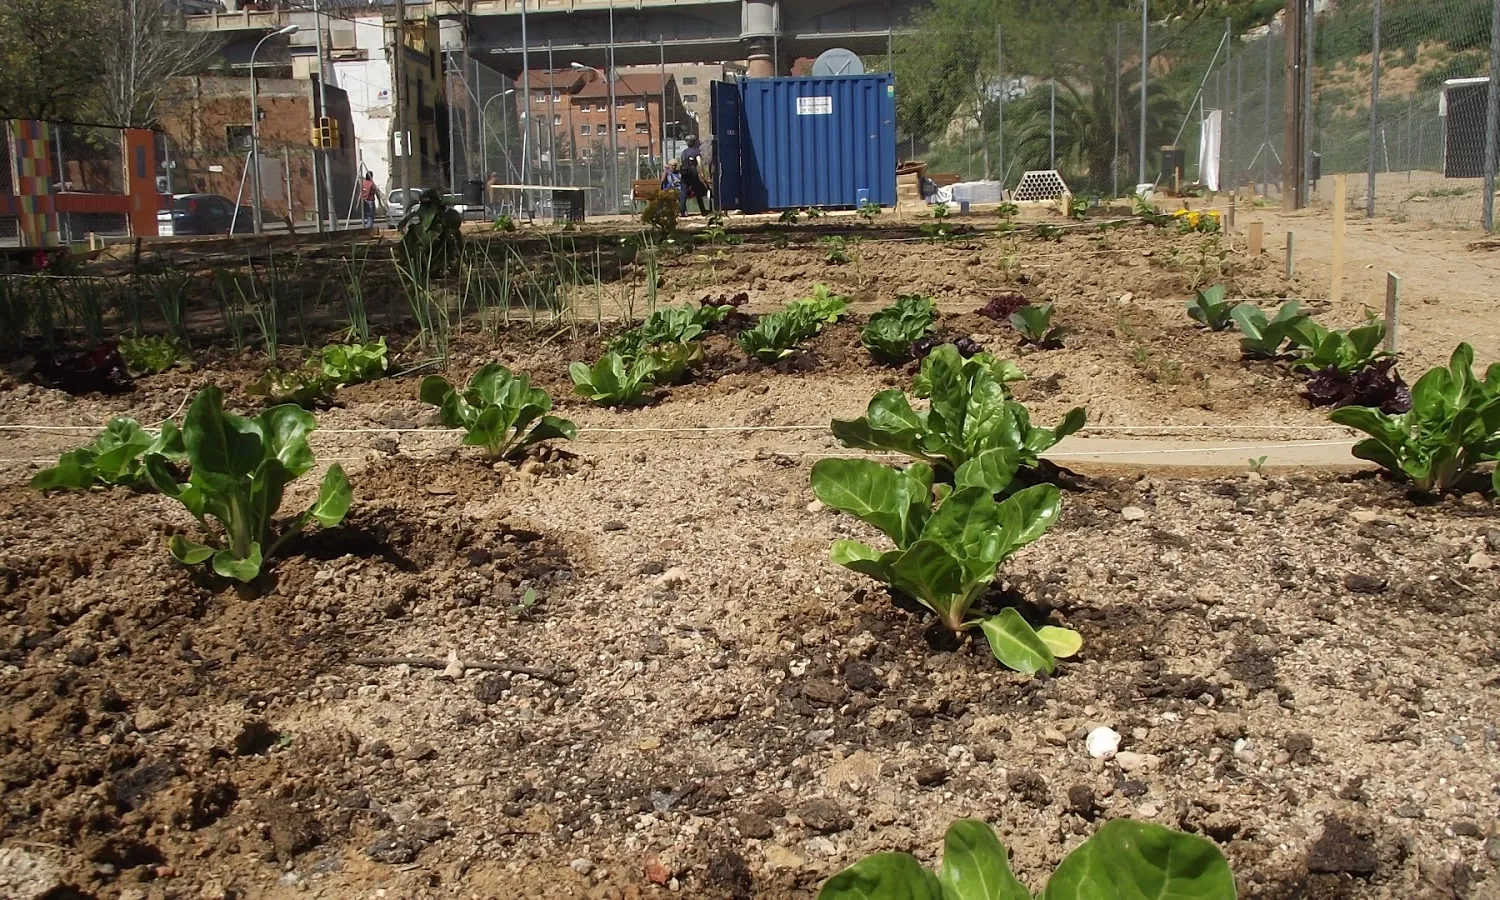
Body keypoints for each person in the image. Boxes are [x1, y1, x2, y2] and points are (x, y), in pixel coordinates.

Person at [678, 136, 708, 216]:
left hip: (684, 173)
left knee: (683, 192)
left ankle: (682, 211)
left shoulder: (684, 152)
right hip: (693, 173)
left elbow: (682, 162)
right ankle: (703, 210)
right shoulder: (696, 151)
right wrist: (701, 173)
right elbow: (699, 163)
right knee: (698, 192)